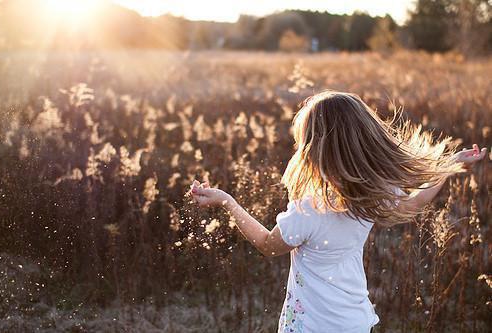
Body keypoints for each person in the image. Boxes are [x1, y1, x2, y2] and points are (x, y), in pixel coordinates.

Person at [189, 91, 487, 332]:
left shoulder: (309, 210)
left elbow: (268, 246)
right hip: (354, 321)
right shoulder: (371, 195)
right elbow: (412, 203)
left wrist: (227, 200)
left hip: (309, 327)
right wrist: (448, 169)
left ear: (315, 148)